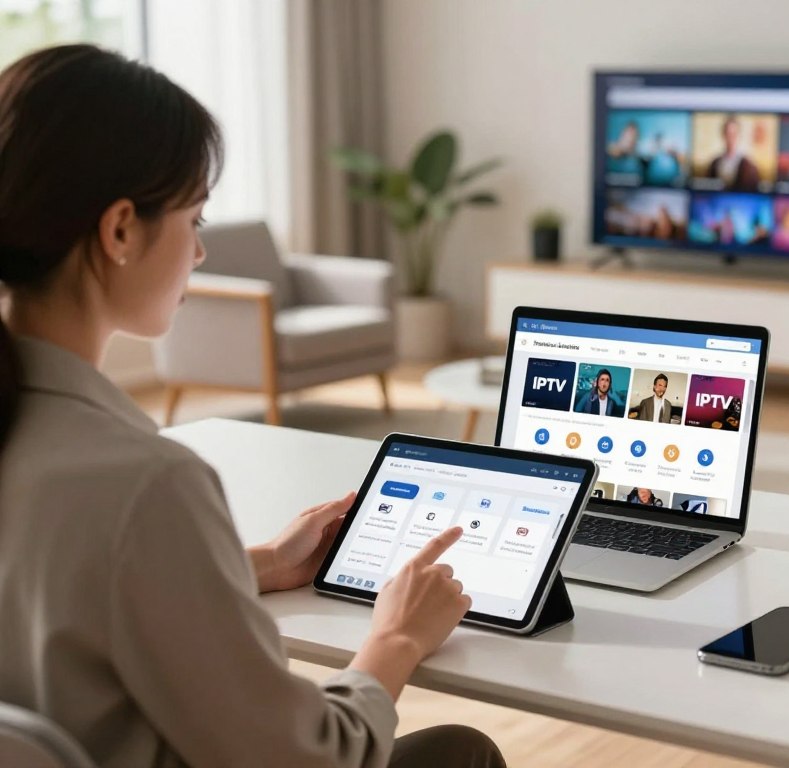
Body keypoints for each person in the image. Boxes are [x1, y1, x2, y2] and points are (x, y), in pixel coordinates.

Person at [0, 45, 504, 768]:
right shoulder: (146, 484)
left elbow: (79, 598)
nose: (199, 253)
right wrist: (396, 638)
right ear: (119, 230)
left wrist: (260, 563)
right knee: (460, 749)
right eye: (195, 218)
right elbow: (309, 758)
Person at [706, 116, 760, 192]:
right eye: (728, 134)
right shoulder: (714, 164)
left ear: (739, 136)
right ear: (723, 135)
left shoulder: (749, 166)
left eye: (734, 134)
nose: (730, 139)